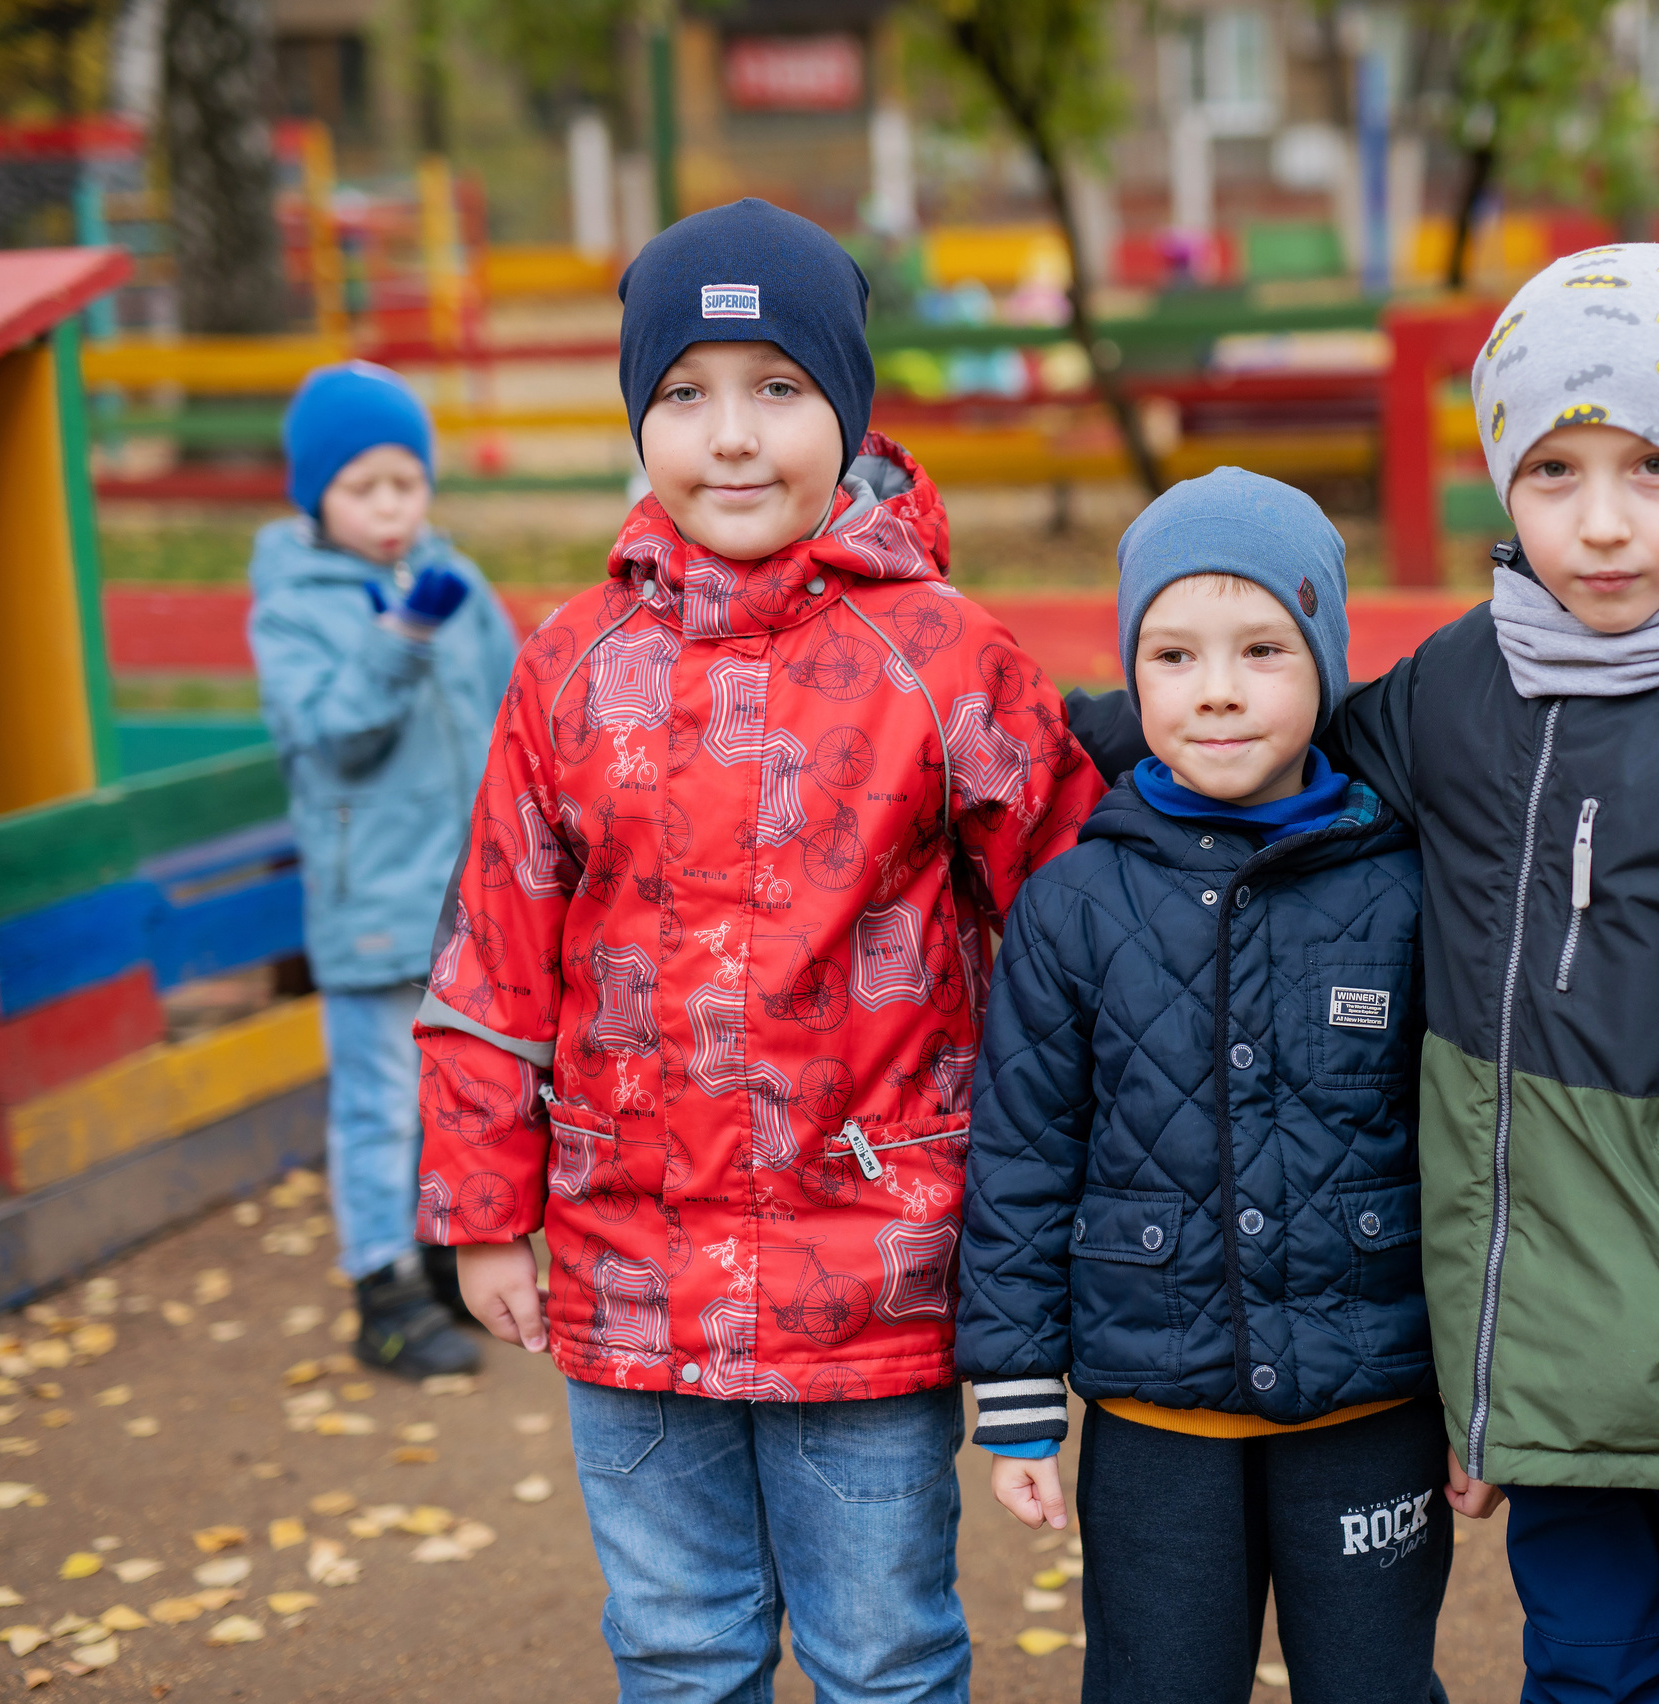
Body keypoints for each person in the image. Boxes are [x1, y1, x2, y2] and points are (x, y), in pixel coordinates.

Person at [1068, 244, 1659, 1704]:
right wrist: (1027, 723)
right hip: (1552, 1375)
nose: (1603, 523)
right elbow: (1269, 728)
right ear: (1503, 478)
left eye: (1651, 468)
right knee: (1586, 1677)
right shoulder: (1461, 688)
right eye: (1554, 472)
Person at [413, 198, 1105, 1703]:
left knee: (883, 1650)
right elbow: (494, 954)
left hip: (872, 1264)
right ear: (641, 419)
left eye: (779, 389)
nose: (733, 437)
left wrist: (1073, 1211)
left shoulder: (945, 661)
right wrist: (478, 1210)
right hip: (629, 1269)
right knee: (676, 1644)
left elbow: (1072, 935)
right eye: (687, 394)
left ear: (846, 414)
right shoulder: (569, 666)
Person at [958, 469, 1446, 1704]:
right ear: (1135, 673)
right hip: (1156, 1420)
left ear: (1326, 660)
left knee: (1376, 1684)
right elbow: (1021, 1153)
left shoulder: (1404, 890)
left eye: (1263, 650)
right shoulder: (1075, 902)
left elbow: (1463, 1153)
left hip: (1369, 1403)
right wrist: (1017, 1398)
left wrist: (1484, 1402)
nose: (1217, 688)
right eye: (1173, 654)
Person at [250, 361, 517, 1380]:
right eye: (366, 488)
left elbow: (508, 706)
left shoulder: (456, 579)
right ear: (318, 494)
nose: (394, 508)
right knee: (378, 1101)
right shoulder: (295, 608)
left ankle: (449, 1255)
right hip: (372, 903)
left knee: (462, 1091)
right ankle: (382, 1288)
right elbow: (331, 735)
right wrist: (396, 644)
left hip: (470, 898)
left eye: (408, 483)